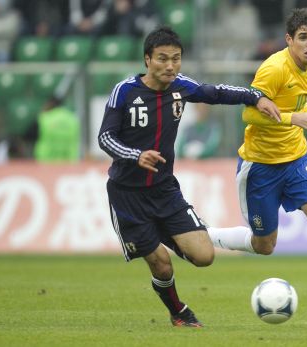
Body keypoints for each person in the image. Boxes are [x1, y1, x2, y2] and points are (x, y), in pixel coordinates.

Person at [97, 26, 280, 328]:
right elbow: (105, 137)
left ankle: (166, 233)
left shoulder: (181, 86)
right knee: (161, 263)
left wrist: (254, 97)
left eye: (176, 59)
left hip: (165, 191)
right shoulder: (125, 92)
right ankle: (178, 311)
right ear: (147, 60)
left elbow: (216, 93)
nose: (170, 66)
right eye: (162, 59)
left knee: (204, 256)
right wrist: (135, 155)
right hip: (127, 194)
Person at [207, 8, 307, 326]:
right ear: (289, 39)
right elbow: (250, 114)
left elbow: (298, 102)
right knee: (264, 245)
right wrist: (293, 119)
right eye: (303, 38)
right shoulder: (273, 69)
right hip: (260, 165)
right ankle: (202, 235)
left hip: (295, 159)